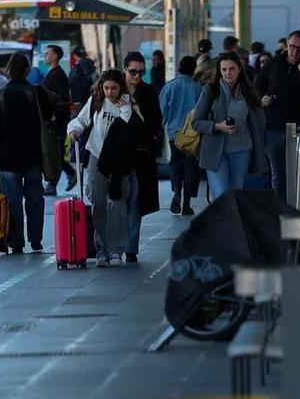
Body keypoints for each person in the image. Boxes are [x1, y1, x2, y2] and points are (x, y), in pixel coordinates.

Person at [68, 69, 145, 266]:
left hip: (120, 161)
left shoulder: (129, 104)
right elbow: (81, 120)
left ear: (121, 87)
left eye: (114, 88)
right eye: (106, 88)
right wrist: (73, 131)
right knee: (98, 203)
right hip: (97, 155)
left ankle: (116, 250)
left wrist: (126, 110)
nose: (110, 92)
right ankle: (101, 249)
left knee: (118, 204)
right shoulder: (97, 101)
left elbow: (138, 129)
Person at [0, 51, 46, 254]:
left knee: (12, 201)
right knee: (35, 198)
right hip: (32, 155)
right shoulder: (36, 93)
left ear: (9, 70)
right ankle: (36, 238)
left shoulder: (0, 95)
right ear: (27, 70)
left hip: (7, 156)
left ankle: (15, 241)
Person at [260, 29, 300, 203]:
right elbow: (256, 85)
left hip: (299, 127)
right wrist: (262, 98)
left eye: (299, 48)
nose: (294, 51)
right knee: (278, 173)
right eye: (291, 46)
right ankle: (280, 209)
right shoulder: (274, 63)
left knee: (296, 171)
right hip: (274, 127)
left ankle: (294, 206)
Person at [192, 52, 262, 198]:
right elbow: (196, 122)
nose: (227, 73)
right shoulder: (211, 90)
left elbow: (257, 126)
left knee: (236, 192)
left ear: (239, 69)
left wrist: (258, 160)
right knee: (221, 194)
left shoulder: (248, 91)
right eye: (224, 70)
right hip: (215, 150)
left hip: (241, 149)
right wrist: (217, 126)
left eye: (231, 69)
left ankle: (232, 220)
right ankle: (225, 219)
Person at [121, 51, 164, 264]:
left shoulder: (148, 93)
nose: (137, 76)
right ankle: (113, 246)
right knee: (116, 199)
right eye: (133, 72)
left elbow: (157, 122)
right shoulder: (114, 88)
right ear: (125, 70)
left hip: (140, 154)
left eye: (141, 72)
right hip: (117, 155)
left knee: (135, 201)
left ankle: (130, 248)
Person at [160, 54, 205, 215]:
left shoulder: (169, 87)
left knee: (175, 163)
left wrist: (158, 131)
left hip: (175, 134)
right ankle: (186, 203)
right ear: (193, 69)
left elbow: (162, 113)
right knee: (191, 167)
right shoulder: (198, 88)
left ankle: (176, 191)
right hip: (193, 135)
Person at [39, 44, 74, 193]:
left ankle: (57, 181)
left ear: (55, 56)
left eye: (47, 54)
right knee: (53, 151)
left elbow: (63, 99)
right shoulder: (52, 73)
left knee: (54, 151)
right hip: (52, 119)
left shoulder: (57, 74)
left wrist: (55, 115)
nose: (45, 56)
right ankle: (56, 181)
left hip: (56, 121)